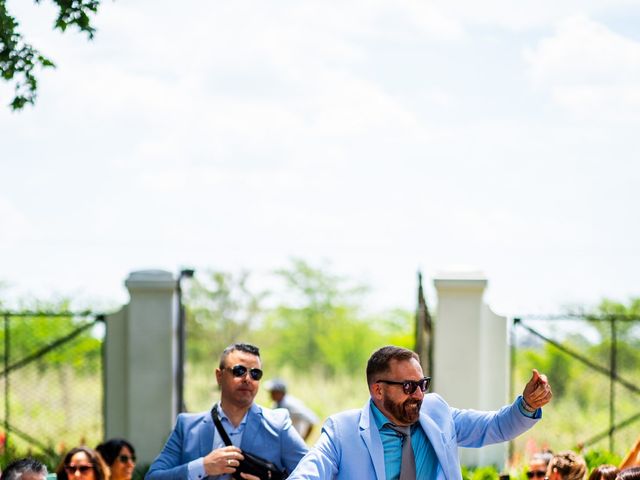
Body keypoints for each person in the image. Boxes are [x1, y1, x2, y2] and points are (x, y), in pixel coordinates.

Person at [288, 345, 553, 480]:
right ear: (378, 390)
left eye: (421, 384)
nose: (418, 394)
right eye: (407, 386)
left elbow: (494, 426)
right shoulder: (342, 430)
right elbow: (311, 470)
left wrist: (527, 405)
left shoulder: (436, 411)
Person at [146, 343, 308, 480]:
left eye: (255, 373)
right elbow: (153, 477)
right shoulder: (186, 426)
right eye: (239, 371)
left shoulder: (278, 424)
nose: (247, 378)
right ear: (219, 376)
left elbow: (316, 474)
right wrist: (203, 466)